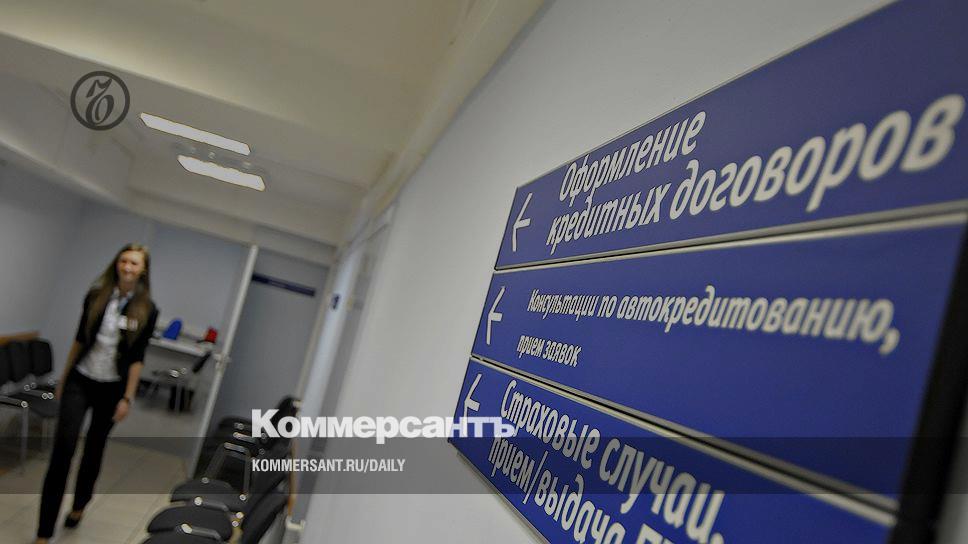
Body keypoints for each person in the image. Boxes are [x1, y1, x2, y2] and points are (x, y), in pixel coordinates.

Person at [35, 244, 159, 543]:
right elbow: (79, 340)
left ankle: (79, 505)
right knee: (63, 449)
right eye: (124, 260)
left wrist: (127, 397)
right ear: (117, 263)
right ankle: (43, 532)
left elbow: (138, 357)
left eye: (134, 263)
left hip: (112, 388)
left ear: (143, 270)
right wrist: (64, 379)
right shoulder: (96, 296)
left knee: (93, 450)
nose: (127, 267)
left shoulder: (147, 309)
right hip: (81, 380)